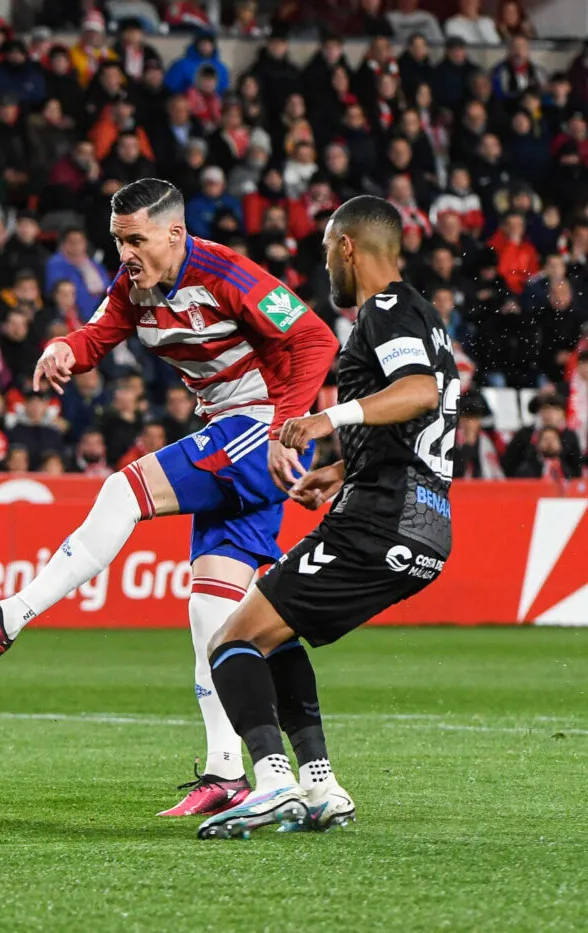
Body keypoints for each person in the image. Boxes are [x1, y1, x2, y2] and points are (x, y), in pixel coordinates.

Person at [0, 178, 339, 817]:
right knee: (212, 610)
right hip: (230, 432)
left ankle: (11, 615)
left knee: (124, 491)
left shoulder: (226, 271)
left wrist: (289, 426)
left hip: (262, 429)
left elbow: (316, 339)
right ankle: (227, 769)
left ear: (175, 234)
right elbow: (98, 334)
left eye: (136, 239)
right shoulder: (136, 284)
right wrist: (63, 348)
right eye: (118, 240)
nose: (124, 252)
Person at [196, 196, 459, 839]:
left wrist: (326, 419)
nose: (325, 265)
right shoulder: (425, 319)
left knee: (229, 642)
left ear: (348, 247)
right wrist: (340, 471)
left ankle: (273, 784)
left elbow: (419, 392)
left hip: (378, 522)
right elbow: (422, 424)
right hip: (419, 522)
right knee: (273, 629)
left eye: (325, 252)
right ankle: (319, 785)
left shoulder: (388, 310)